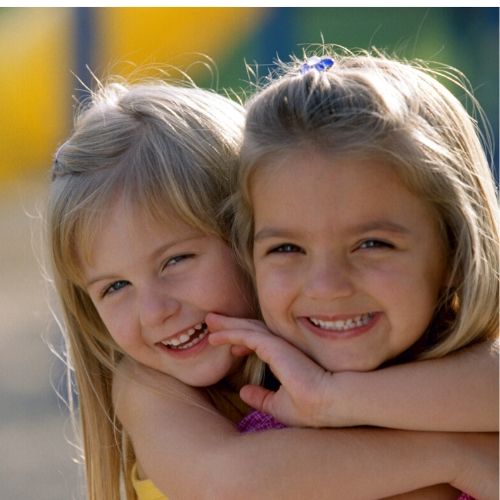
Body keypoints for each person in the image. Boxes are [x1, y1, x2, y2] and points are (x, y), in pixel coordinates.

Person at [47, 75, 497, 500]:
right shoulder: (150, 387)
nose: (155, 310)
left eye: (176, 260)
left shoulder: (352, 335)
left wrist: (330, 396)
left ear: (246, 235)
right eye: (115, 286)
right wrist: (452, 455)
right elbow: (223, 482)